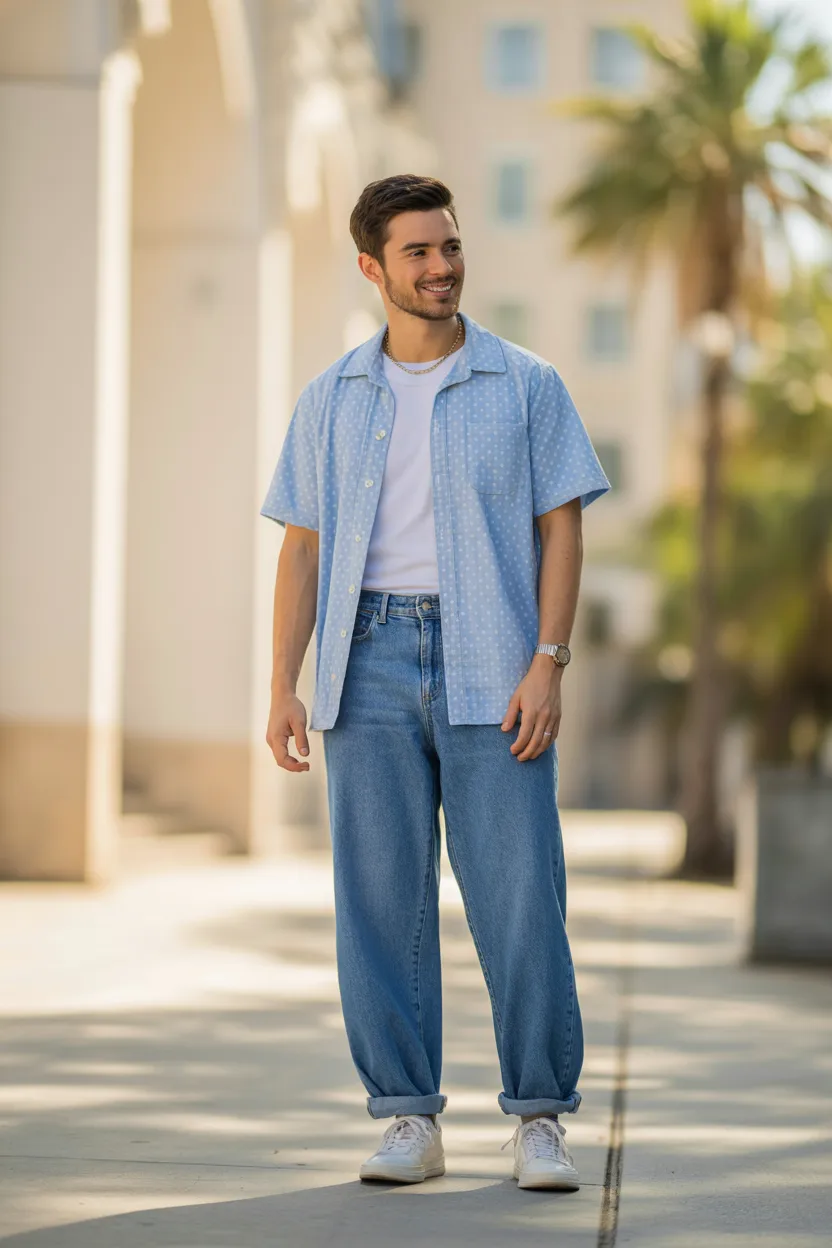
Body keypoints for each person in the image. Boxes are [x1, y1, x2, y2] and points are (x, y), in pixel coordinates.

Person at [261, 174, 610, 1192]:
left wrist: (548, 659)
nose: (441, 266)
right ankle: (407, 1117)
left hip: (492, 659)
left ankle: (539, 1118)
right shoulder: (330, 397)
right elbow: (303, 550)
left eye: (448, 246)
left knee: (519, 898)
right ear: (373, 268)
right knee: (377, 904)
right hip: (364, 661)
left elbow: (563, 526)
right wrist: (284, 683)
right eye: (416, 252)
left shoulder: (526, 383)